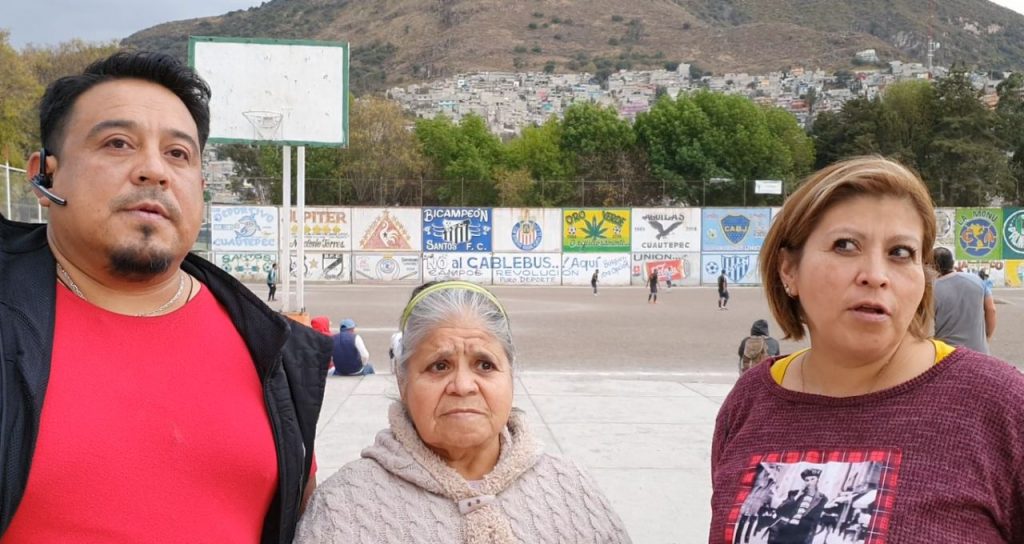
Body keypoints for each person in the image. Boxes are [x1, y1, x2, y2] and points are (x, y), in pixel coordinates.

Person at [0, 51, 331, 542]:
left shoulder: (275, 348)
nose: (153, 170)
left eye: (178, 154)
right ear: (44, 175)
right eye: (118, 143)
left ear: (199, 184)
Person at [710, 157, 1024, 542]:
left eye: (900, 253)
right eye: (845, 245)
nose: (875, 275)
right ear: (788, 270)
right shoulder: (750, 401)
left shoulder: (1001, 405)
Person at [295, 280, 632, 543]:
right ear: (402, 381)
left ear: (511, 377)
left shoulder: (571, 490)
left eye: (485, 364)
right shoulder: (343, 507)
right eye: (439, 366)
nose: (463, 385)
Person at [932, 247, 996, 353]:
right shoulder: (977, 280)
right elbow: (991, 309)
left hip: (948, 355)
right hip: (979, 352)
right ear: (952, 263)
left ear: (933, 266)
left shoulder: (932, 289)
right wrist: (987, 336)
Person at [766, 468, 828, 544]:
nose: (810, 482)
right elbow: (780, 510)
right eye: (807, 480)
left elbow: (814, 520)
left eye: (812, 479)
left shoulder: (822, 499)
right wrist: (797, 496)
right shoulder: (793, 493)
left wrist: (809, 537)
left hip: (801, 533)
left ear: (817, 480)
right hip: (784, 529)